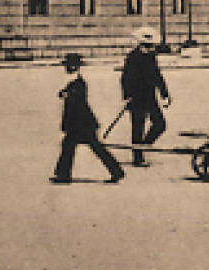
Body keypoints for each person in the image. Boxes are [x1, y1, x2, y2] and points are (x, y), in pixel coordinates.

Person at [52, 53, 124, 184]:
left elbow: (76, 102)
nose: (66, 68)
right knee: (80, 147)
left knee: (86, 147)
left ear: (73, 66)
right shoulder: (75, 81)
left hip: (81, 123)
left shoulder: (78, 82)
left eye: (68, 65)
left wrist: (66, 95)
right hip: (81, 123)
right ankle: (116, 171)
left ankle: (63, 175)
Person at [120, 29, 171, 167]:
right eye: (146, 45)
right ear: (140, 44)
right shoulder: (132, 57)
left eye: (150, 46)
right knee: (138, 127)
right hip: (136, 98)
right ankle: (138, 157)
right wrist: (127, 96)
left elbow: (157, 76)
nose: (148, 48)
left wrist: (165, 94)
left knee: (160, 124)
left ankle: (144, 145)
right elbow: (125, 79)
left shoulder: (151, 57)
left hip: (149, 96)